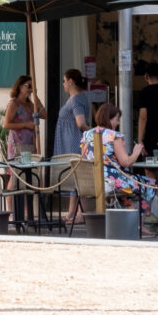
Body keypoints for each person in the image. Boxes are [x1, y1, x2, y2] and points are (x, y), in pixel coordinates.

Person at [78, 102, 158, 232]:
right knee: (149, 183)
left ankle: (127, 223)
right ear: (109, 119)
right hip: (111, 180)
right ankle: (140, 224)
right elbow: (126, 162)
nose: (118, 123)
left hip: (91, 180)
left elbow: (83, 160)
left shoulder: (87, 134)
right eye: (116, 120)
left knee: (128, 187)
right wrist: (136, 152)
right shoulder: (114, 136)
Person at [54, 69, 92, 223]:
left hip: (73, 141)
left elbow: (81, 123)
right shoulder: (76, 98)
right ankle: (72, 213)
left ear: (71, 81)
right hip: (70, 140)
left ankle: (81, 214)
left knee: (76, 178)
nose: (63, 84)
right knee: (74, 179)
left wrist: (97, 131)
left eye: (64, 80)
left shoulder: (76, 100)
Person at [3, 75, 42, 160]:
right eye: (29, 86)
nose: (31, 90)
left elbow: (45, 115)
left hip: (30, 145)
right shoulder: (14, 104)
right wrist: (25, 125)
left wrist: (36, 98)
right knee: (19, 172)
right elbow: (6, 124)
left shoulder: (31, 104)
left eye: (33, 87)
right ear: (20, 87)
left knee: (31, 171)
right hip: (18, 146)